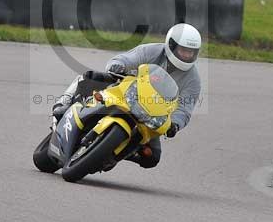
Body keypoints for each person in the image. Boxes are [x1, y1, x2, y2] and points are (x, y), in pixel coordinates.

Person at [51, 23, 202, 169]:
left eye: (191, 52)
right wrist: (119, 65)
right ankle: (63, 104)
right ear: (172, 45)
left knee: (151, 157)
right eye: (183, 50)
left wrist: (175, 124)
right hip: (126, 93)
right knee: (89, 78)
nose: (187, 55)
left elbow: (185, 108)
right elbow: (127, 58)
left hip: (152, 114)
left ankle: (113, 155)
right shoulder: (152, 51)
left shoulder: (193, 79)